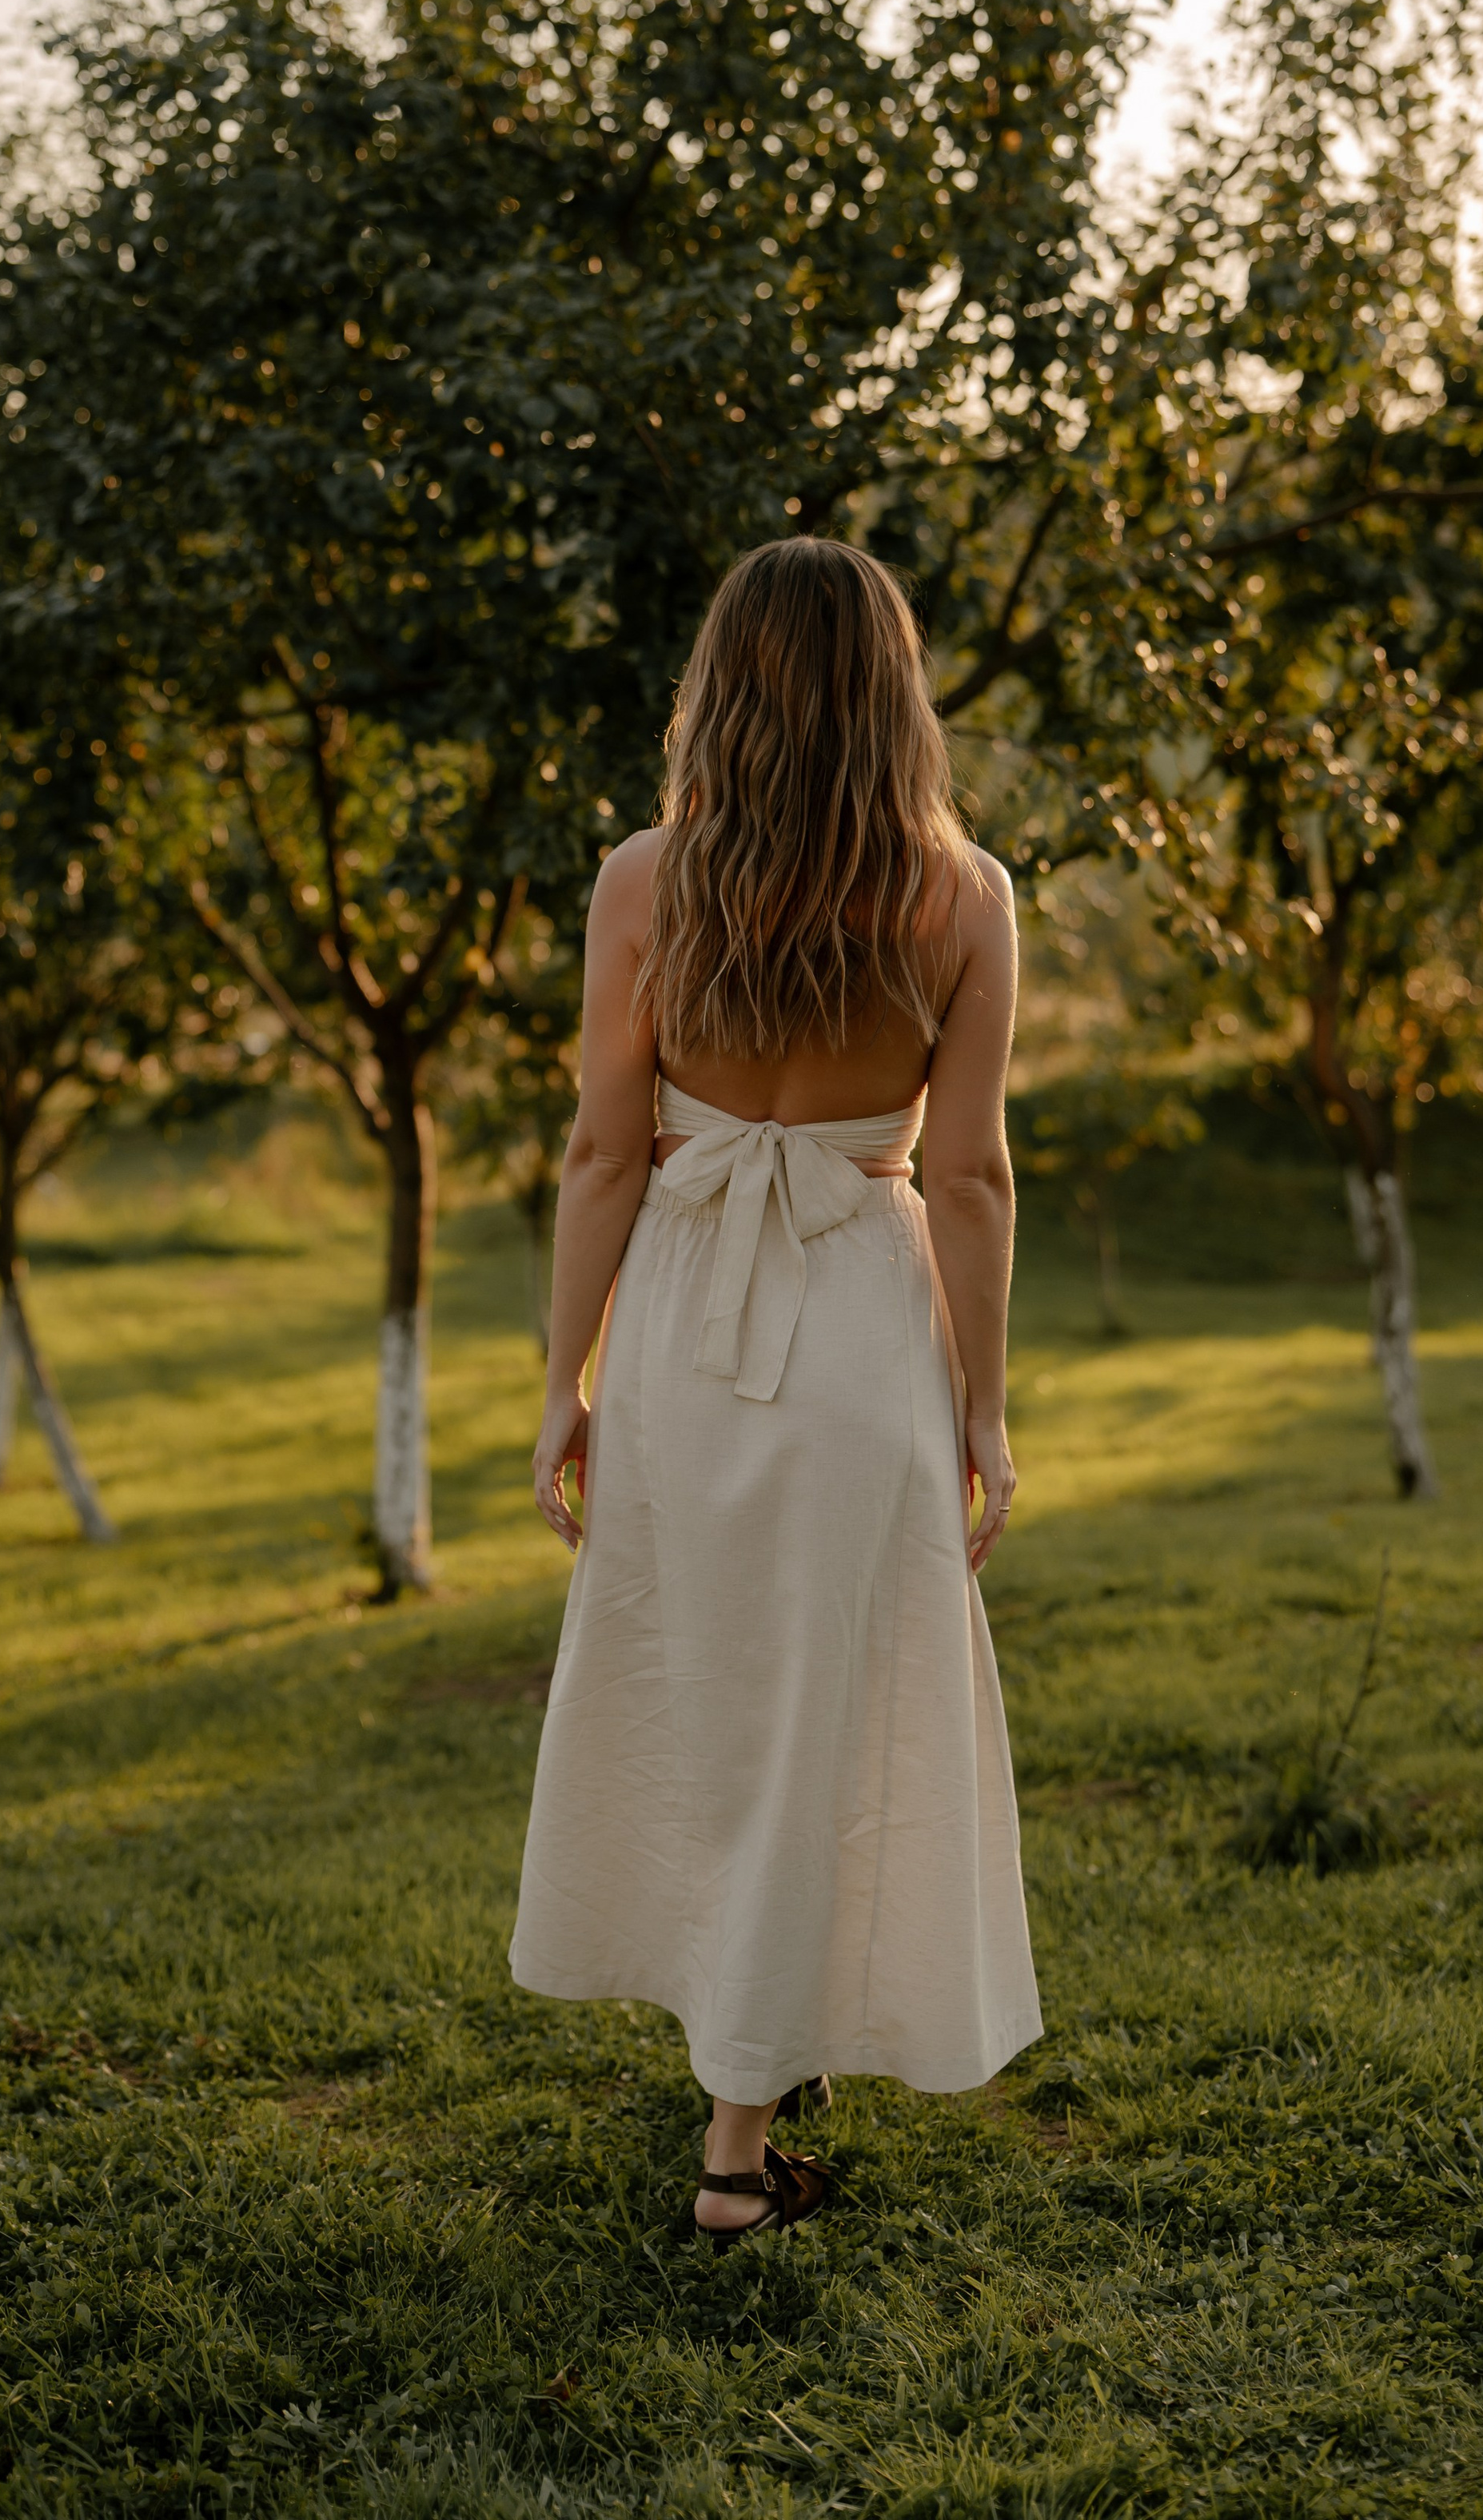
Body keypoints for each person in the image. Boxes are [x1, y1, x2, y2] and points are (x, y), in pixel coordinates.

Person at [509, 537, 1039, 2245]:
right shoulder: (963, 896)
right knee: (831, 1694)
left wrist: (565, 1379)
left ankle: (742, 2093)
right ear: (898, 694)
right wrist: (981, 1409)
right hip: (863, 1324)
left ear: (719, 687)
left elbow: (603, 1153)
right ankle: (738, 2152)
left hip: (681, 1318)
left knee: (711, 1683)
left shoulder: (643, 881)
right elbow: (970, 1178)